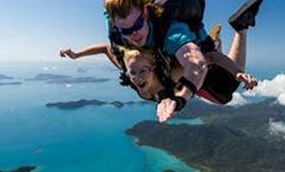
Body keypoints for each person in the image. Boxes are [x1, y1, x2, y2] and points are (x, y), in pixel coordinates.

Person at [60, 23, 258, 122]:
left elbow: (211, 58)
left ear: (154, 68)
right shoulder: (127, 67)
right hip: (185, 75)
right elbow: (105, 48)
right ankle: (217, 39)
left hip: (194, 65)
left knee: (224, 94)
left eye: (143, 71)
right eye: (133, 72)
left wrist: (237, 73)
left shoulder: (171, 72)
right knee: (219, 84)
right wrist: (77, 55)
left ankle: (229, 33)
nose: (137, 77)